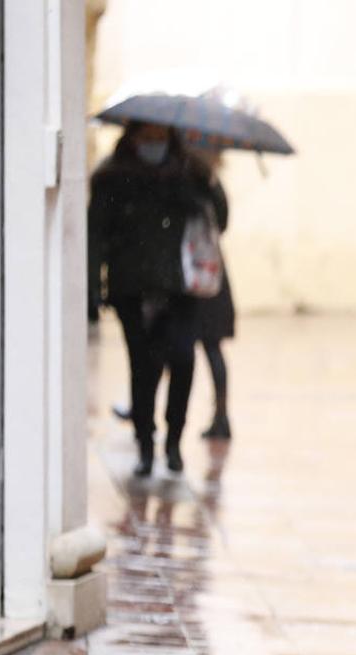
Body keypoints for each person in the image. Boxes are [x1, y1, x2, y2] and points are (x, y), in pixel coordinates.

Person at [89, 122, 221, 476]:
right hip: (131, 286)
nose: (153, 145)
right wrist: (92, 289)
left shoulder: (191, 172)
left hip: (181, 287)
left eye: (160, 138)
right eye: (146, 137)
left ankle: (174, 442)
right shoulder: (113, 177)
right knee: (143, 367)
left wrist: (210, 179)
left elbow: (219, 219)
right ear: (132, 138)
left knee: (182, 360)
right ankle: (146, 444)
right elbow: (96, 233)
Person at [195, 148, 235, 440]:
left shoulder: (200, 178)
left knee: (207, 348)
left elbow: (221, 220)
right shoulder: (209, 179)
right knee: (210, 349)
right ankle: (221, 415)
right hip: (209, 271)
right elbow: (222, 220)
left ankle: (221, 415)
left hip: (202, 272)